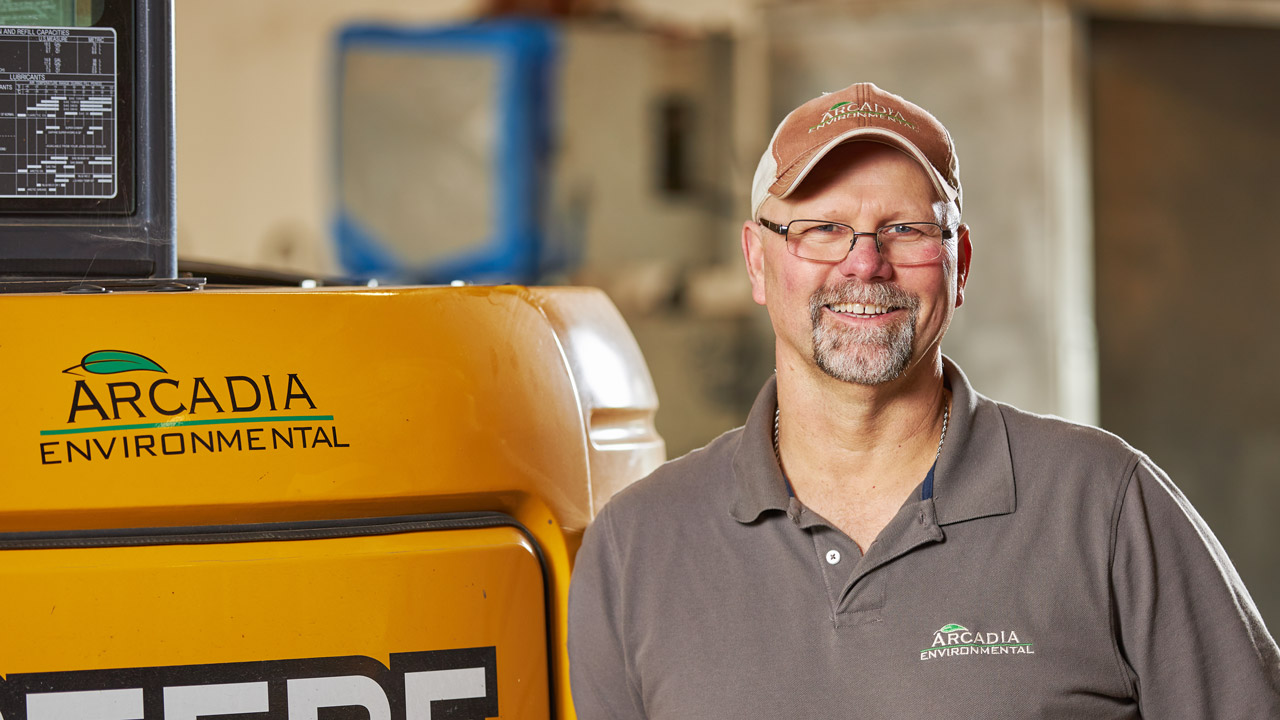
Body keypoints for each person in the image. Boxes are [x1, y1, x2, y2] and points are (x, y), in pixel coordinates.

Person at [566, 82, 1280, 717]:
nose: (865, 262)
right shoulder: (639, 547)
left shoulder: (1103, 506)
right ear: (758, 260)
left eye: (905, 229)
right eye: (822, 229)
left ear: (959, 263)